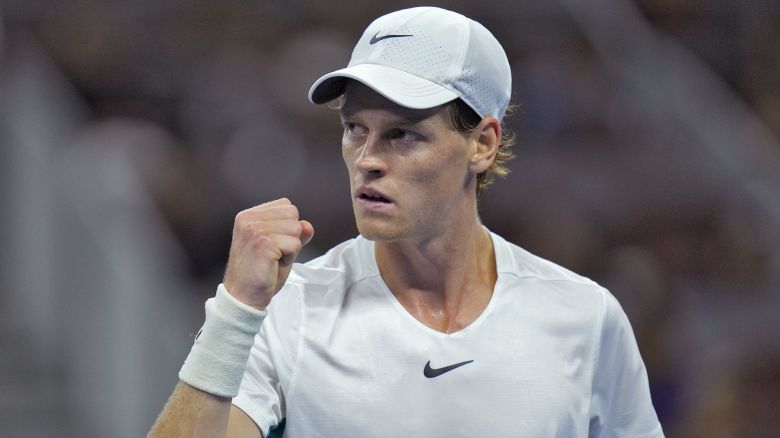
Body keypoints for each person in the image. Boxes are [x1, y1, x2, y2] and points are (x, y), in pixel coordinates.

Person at [149, 7, 664, 437]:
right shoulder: (289, 311)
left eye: (403, 135)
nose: (367, 158)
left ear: (482, 144)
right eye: (355, 128)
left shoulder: (585, 318)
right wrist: (235, 308)